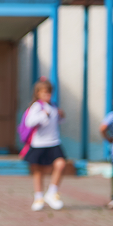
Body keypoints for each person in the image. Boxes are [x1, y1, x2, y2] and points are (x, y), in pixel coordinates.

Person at [23, 79, 67, 211]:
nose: (47, 95)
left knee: (61, 164)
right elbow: (29, 123)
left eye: (49, 93)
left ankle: (52, 192)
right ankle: (38, 197)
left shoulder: (53, 106)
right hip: (39, 143)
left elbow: (59, 122)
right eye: (44, 93)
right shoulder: (37, 106)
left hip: (53, 142)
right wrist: (43, 115)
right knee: (38, 171)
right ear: (38, 93)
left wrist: (61, 116)